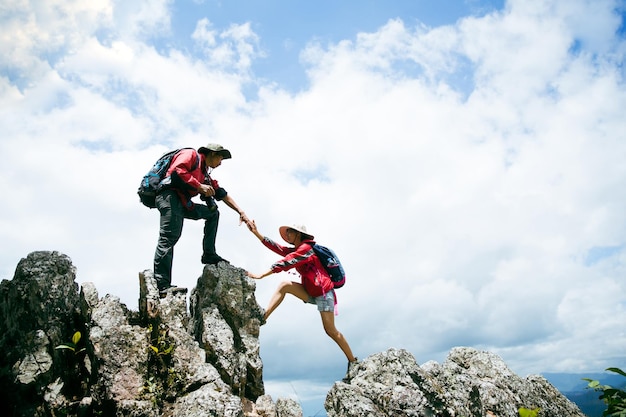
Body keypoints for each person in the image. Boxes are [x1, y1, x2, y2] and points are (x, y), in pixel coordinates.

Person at [246, 220, 358, 381]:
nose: (287, 235)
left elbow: (287, 261)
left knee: (331, 330)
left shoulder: (306, 250)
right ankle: (262, 318)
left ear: (298, 234)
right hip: (310, 290)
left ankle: (353, 361)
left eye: (290, 232)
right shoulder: (299, 250)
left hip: (324, 293)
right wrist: (256, 233)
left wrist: (261, 275)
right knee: (285, 285)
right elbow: (279, 249)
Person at [153, 143, 250, 296]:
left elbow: (221, 193)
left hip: (183, 203)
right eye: (220, 157)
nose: (221, 162)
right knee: (169, 238)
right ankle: (162, 286)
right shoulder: (191, 155)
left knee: (213, 213)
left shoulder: (204, 174)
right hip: (169, 197)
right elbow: (177, 171)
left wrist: (241, 211)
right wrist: (199, 186)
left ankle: (209, 254)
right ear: (211, 154)